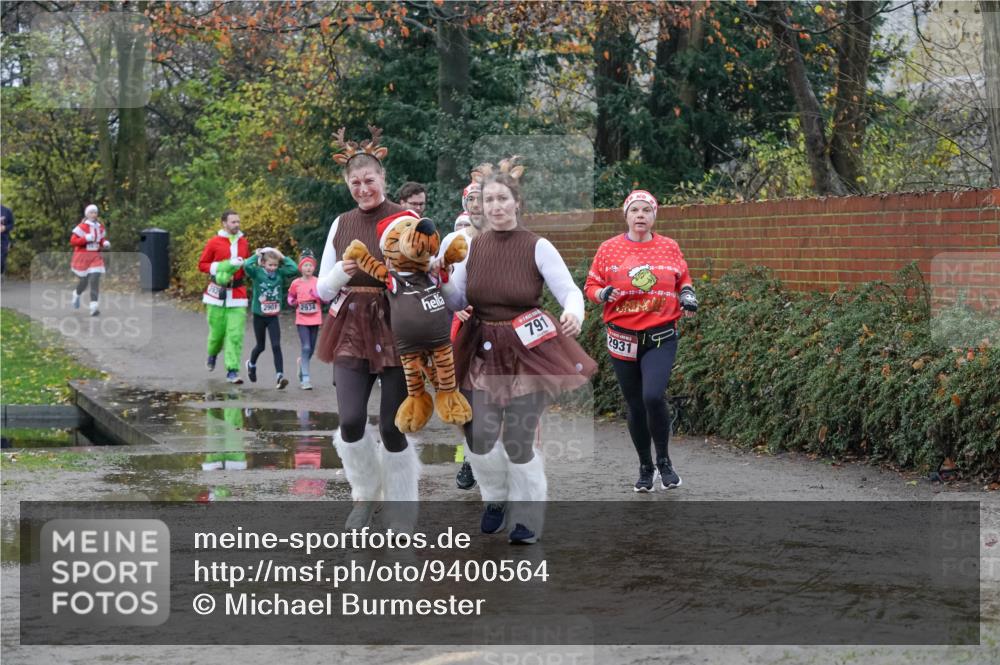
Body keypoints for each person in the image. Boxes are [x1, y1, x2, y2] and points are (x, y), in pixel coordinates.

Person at [442, 158, 597, 544]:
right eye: (488, 199)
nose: (495, 206)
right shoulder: (471, 247)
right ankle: (495, 497)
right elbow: (456, 296)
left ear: (516, 203)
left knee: (518, 438)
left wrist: (573, 312)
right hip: (480, 347)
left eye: (502, 199)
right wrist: (437, 279)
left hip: (528, 352)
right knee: (477, 434)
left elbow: (569, 290)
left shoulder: (537, 246)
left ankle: (527, 516)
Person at [316, 126, 418, 528]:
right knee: (351, 422)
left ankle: (401, 505)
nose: (363, 189)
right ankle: (363, 493)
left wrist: (402, 270)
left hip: (396, 323)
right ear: (348, 185)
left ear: (383, 181)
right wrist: (343, 271)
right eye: (355, 183)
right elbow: (322, 289)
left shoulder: (406, 218)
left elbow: (433, 273)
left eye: (369, 181)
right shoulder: (340, 224)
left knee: (394, 428)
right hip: (350, 326)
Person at [584, 189, 698, 492]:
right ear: (626, 215)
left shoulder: (669, 247)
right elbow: (591, 285)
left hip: (661, 335)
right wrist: (602, 294)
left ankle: (664, 461)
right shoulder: (608, 249)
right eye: (635, 210)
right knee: (635, 404)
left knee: (652, 396)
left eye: (646, 210)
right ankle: (645, 467)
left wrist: (687, 295)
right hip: (622, 337)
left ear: (654, 216)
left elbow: (683, 278)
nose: (640, 216)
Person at [441, 180, 487, 491]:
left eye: (481, 199)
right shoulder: (453, 240)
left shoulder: (504, 234)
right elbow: (440, 280)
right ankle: (469, 455)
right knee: (464, 393)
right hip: (463, 323)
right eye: (471, 199)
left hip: (500, 324)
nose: (476, 204)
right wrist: (454, 307)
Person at [198, 209, 251, 384]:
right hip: (216, 294)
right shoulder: (214, 242)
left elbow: (246, 267)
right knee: (217, 335)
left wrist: (255, 263)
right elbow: (202, 265)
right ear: (224, 223)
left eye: (238, 221)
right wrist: (223, 267)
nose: (237, 224)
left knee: (235, 335)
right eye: (233, 222)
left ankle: (232, 370)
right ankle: (212, 354)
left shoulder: (244, 243)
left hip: (237, 294)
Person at [243, 246, 299, 389]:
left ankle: (279, 376)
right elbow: (246, 265)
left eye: (275, 265)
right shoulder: (257, 273)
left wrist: (281, 256)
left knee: (276, 345)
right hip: (259, 316)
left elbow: (294, 269)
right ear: (263, 263)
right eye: (270, 265)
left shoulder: (280, 273)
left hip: (273, 316)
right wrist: (257, 255)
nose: (273, 268)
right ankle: (251, 364)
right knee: (260, 346)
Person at [287, 250, 324, 390]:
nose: (308, 268)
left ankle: (302, 364)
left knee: (311, 349)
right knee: (306, 347)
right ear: (300, 267)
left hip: (315, 318)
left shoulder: (318, 282)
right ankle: (305, 379)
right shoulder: (296, 283)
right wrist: (292, 302)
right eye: (305, 265)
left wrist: (318, 296)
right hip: (302, 319)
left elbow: (326, 298)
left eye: (311, 265)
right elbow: (290, 297)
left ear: (314, 267)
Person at [69, 204, 110, 316]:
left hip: (95, 257)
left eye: (95, 212)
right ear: (87, 214)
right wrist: (85, 239)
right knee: (84, 281)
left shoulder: (100, 227)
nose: (93, 215)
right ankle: (76, 294)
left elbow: (100, 239)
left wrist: (104, 243)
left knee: (94, 280)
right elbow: (73, 241)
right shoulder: (81, 227)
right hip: (82, 257)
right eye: (91, 212)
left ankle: (93, 307)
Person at [1, 203, 13, 275]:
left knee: (1, 260)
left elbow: (11, 224)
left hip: (3, 240)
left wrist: (5, 228)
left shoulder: (6, 211)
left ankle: (1, 272)